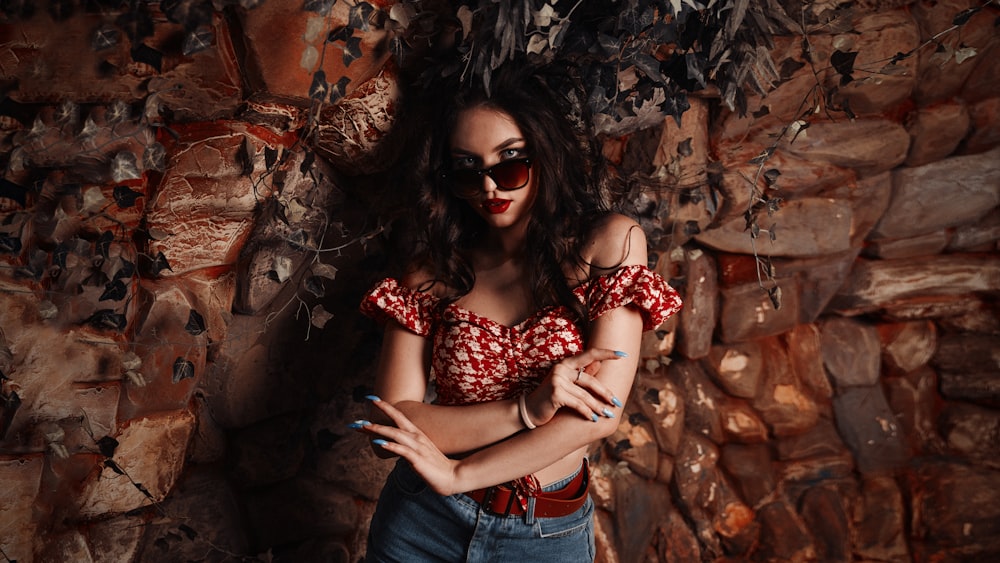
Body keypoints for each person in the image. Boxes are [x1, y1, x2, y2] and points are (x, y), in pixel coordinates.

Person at [351, 63, 682, 562]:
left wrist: (459, 472)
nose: (490, 188)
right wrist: (527, 408)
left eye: (510, 164)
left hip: (543, 537)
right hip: (422, 524)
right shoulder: (433, 272)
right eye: (468, 169)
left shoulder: (607, 245)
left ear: (545, 154)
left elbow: (598, 417)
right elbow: (394, 425)